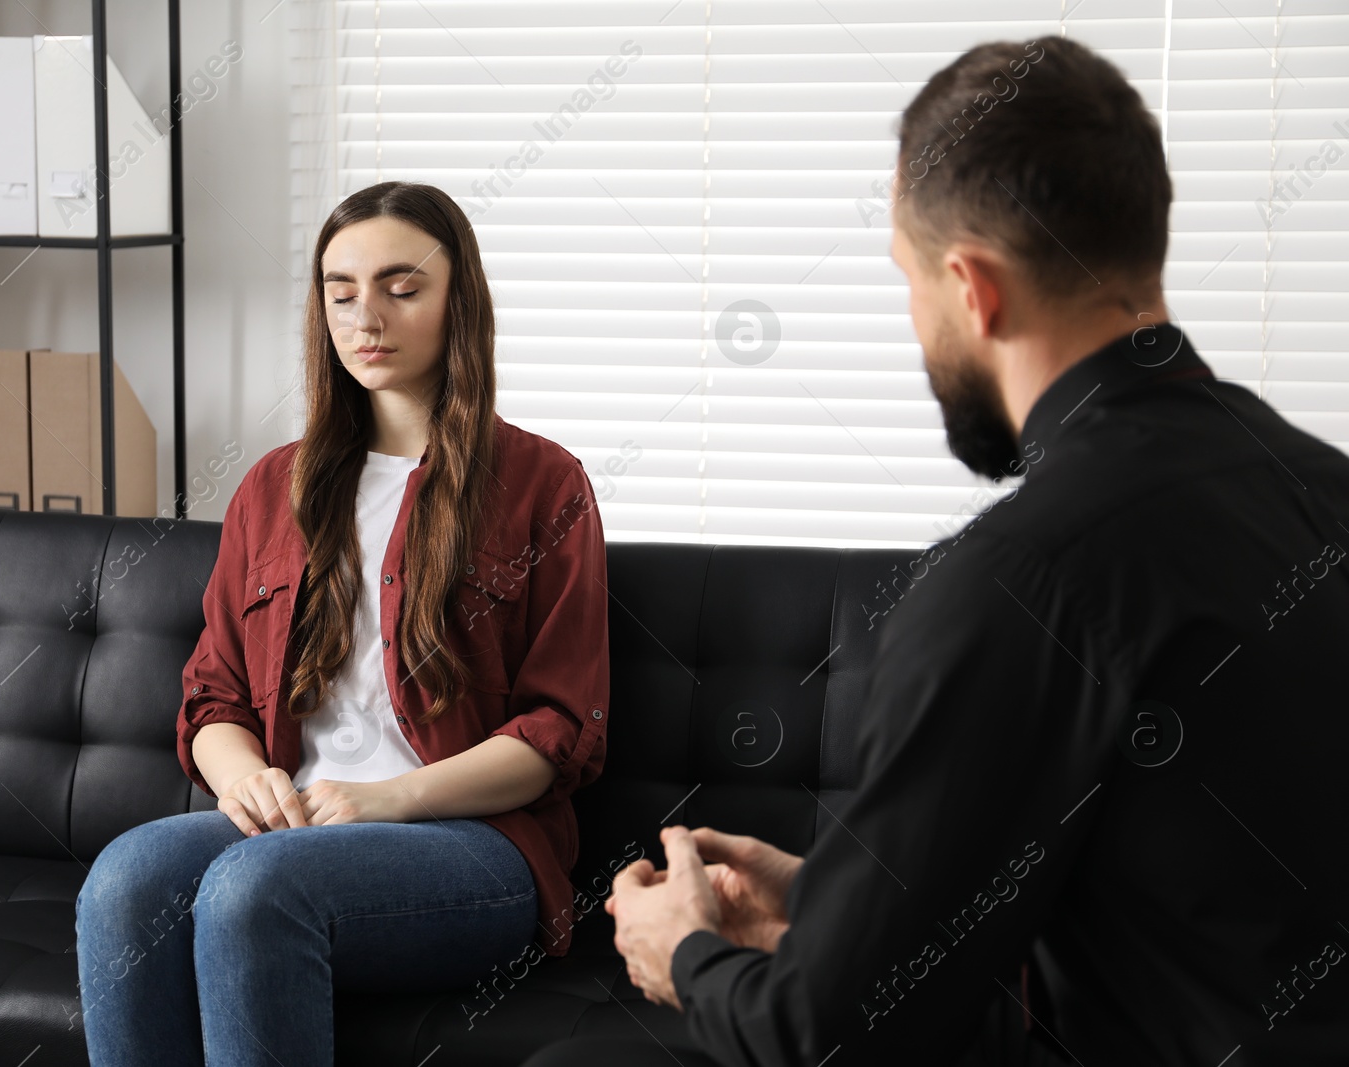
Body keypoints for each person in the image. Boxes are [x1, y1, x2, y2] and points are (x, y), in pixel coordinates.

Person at [522, 34, 1349, 1067]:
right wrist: (832, 896)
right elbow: (1179, 911)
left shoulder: (1018, 578)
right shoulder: (1321, 490)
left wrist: (683, 949)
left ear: (972, 287)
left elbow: (828, 1041)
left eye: (908, 281)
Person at [74, 181, 610, 1067]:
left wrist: (382, 800)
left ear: (457, 300)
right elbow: (212, 698)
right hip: (297, 825)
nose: (368, 315)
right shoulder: (272, 488)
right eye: (341, 289)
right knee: (125, 881)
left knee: (254, 891)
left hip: (474, 846)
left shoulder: (547, 485)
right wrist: (247, 779)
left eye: (403, 287)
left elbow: (560, 732)